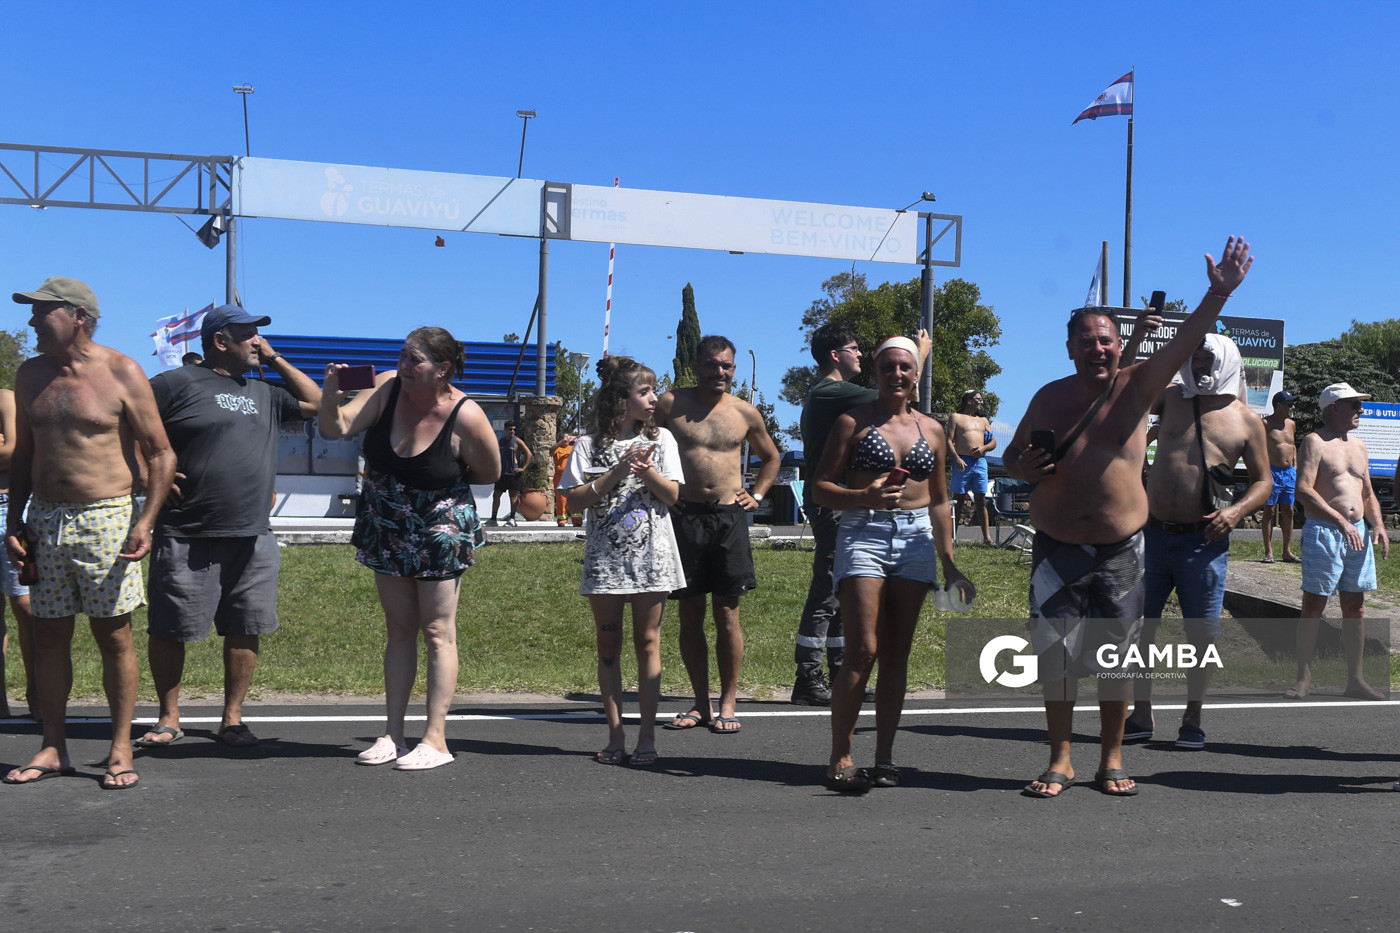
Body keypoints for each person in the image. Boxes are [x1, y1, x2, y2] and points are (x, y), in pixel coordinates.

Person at [1004, 236, 1254, 798]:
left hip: (1122, 548)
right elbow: (1011, 459)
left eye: (1107, 340)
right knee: (1058, 657)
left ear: (1121, 346)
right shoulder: (1048, 397)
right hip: (1056, 545)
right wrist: (1025, 464)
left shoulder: (1138, 386)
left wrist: (1216, 295)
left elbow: (1186, 338)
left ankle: (1111, 757)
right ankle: (1061, 759)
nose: (1098, 348)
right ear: (1070, 348)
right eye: (1087, 341)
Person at [3, 276, 176, 789]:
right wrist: (14, 522)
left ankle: (120, 749)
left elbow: (162, 452)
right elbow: (25, 458)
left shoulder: (121, 370)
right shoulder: (30, 375)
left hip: (106, 518)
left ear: (78, 316)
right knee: (48, 635)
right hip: (44, 520)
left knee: (114, 637)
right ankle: (53, 746)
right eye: (32, 313)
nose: (32, 321)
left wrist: (145, 520)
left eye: (42, 312)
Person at [135, 305, 321, 751]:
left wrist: (274, 359)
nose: (257, 340)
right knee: (170, 627)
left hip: (252, 533)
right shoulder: (175, 384)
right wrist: (143, 472)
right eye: (248, 334)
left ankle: (232, 719)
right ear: (220, 340)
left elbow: (317, 403)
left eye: (259, 334)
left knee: (245, 625)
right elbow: (123, 424)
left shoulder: (266, 393)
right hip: (186, 530)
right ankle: (169, 715)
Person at [319, 327, 500, 771]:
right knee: (399, 630)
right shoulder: (386, 388)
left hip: (439, 529)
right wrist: (329, 392)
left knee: (438, 631)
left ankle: (435, 739)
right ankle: (392, 735)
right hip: (387, 524)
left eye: (414, 360)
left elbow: (490, 471)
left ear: (442, 369)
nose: (403, 366)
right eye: (402, 356)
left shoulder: (466, 414)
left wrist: (438, 485)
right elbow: (335, 426)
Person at [814, 335, 972, 791]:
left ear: (916, 374)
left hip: (917, 538)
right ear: (876, 373)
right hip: (863, 532)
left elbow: (940, 501)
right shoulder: (852, 422)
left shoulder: (934, 429)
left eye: (905, 368)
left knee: (897, 653)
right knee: (863, 647)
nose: (897, 375)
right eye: (888, 368)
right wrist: (861, 496)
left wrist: (950, 564)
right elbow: (820, 486)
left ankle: (884, 756)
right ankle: (840, 754)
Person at [1123, 334, 1271, 749]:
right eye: (1196, 358)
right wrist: (1138, 336)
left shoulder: (1246, 420)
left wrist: (1236, 512)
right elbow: (1126, 387)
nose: (1201, 366)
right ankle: (1141, 711)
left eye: (1209, 359)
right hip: (1151, 535)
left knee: (1201, 635)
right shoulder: (1172, 399)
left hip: (1203, 541)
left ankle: (1192, 717)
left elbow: (1264, 481)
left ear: (1226, 362)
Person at [792, 322, 930, 705]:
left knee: (841, 590)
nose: (859, 354)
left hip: (847, 503)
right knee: (827, 588)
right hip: (837, 502)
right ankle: (808, 677)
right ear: (835, 355)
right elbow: (899, 394)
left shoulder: (833, 393)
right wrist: (918, 354)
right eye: (854, 348)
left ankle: (838, 671)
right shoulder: (831, 391)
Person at [558, 357, 684, 766]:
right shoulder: (588, 445)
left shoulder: (662, 439)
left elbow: (673, 496)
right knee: (609, 645)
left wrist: (645, 472)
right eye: (644, 392)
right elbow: (573, 500)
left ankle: (647, 737)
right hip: (606, 559)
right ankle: (616, 736)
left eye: (653, 390)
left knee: (648, 643)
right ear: (620, 398)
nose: (653, 399)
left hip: (653, 557)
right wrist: (614, 474)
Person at [655, 335, 779, 734]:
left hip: (728, 518)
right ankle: (699, 703)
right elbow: (639, 441)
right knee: (689, 614)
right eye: (712, 365)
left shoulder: (744, 412)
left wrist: (757, 494)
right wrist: (661, 494)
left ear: (734, 369)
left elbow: (772, 457)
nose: (719, 372)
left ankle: (728, 702)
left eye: (726, 366)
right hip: (684, 515)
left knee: (728, 614)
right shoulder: (671, 404)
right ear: (697, 365)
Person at [1289, 382, 1389, 701]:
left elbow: (1368, 493)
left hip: (1356, 532)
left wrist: (1379, 525)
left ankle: (1355, 680)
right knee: (1314, 604)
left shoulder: (1359, 446)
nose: (1361, 410)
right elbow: (1303, 490)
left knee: (1355, 606)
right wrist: (1340, 521)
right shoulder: (1314, 441)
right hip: (1325, 530)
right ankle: (1303, 677)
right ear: (1334, 407)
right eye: (1354, 405)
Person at [0, 388, 37, 720]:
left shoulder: (6, 398)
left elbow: (13, 452)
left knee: (26, 608)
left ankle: (36, 692)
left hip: (8, 509)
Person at [947, 389, 998, 546]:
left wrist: (983, 449)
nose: (981, 401)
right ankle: (950, 538)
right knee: (959, 499)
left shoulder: (984, 420)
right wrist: (956, 458)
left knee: (981, 499)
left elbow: (993, 442)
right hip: (962, 462)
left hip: (980, 463)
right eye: (978, 399)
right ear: (969, 401)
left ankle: (987, 538)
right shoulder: (956, 417)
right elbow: (948, 440)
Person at [1261, 390, 1300, 563]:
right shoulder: (1264, 423)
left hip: (1289, 472)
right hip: (1272, 471)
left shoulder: (1291, 424)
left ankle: (1287, 551)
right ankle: (1269, 551)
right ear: (1279, 406)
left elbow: (1293, 447)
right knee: (1269, 511)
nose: (1293, 407)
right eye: (1289, 404)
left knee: (1289, 511)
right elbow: (1256, 448)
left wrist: (1295, 467)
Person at [489, 421, 531, 526]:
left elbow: (528, 453)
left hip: (513, 474)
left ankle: (512, 519)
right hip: (502, 473)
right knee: (496, 495)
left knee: (513, 496)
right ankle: (493, 519)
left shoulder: (517, 441)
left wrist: (523, 468)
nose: (512, 431)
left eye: (514, 429)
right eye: (510, 429)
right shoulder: (501, 441)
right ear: (505, 430)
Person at [550, 433, 582, 527]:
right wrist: (560, 442)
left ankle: (577, 520)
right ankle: (562, 520)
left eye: (568, 437)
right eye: (565, 437)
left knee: (575, 497)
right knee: (561, 499)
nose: (567, 439)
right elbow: (551, 451)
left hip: (573, 475)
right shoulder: (558, 448)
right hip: (560, 476)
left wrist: (579, 439)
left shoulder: (572, 447)